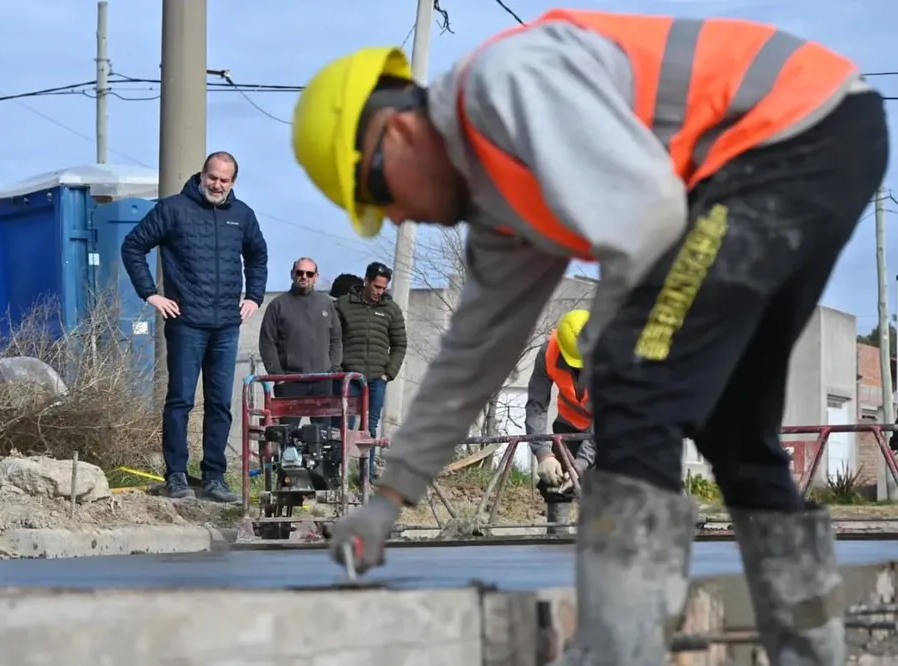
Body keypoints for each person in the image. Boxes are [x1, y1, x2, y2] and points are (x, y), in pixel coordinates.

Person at [290, 10, 889, 665]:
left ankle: (619, 646)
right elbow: (471, 360)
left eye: (380, 194)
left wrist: (621, 348)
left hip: (780, 138)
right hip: (822, 133)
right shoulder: (502, 208)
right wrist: (388, 501)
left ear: (396, 133)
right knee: (734, 426)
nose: (398, 216)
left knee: (633, 377)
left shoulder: (504, 87)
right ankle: (810, 650)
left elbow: (648, 213)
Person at [121, 150, 268, 503]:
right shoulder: (173, 209)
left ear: (233, 182)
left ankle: (215, 478)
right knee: (181, 401)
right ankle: (176, 476)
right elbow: (133, 246)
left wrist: (255, 297)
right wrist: (150, 295)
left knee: (220, 404)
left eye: (224, 179)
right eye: (212, 177)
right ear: (201, 175)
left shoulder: (242, 215)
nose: (217, 184)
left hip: (226, 326)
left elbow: (258, 255)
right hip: (186, 323)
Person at [333, 262, 407, 465]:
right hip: (348, 378)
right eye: (376, 286)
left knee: (370, 428)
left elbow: (400, 344)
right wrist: (338, 368)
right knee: (342, 426)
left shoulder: (391, 310)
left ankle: (366, 474)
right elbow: (333, 338)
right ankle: (337, 473)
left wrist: (388, 374)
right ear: (366, 281)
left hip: (376, 380)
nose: (379, 292)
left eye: (383, 288)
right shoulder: (343, 304)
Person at [258, 257, 342, 427]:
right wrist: (278, 376)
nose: (304, 276)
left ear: (316, 276)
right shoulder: (278, 305)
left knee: (323, 438)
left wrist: (332, 369)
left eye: (309, 273)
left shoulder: (326, 303)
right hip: (290, 382)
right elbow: (267, 342)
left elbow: (336, 339)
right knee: (287, 436)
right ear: (292, 274)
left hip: (322, 382)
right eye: (300, 272)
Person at [526, 310, 596, 494]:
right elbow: (536, 405)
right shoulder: (548, 351)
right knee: (554, 485)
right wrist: (543, 453)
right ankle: (558, 523)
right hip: (569, 422)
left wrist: (581, 464)